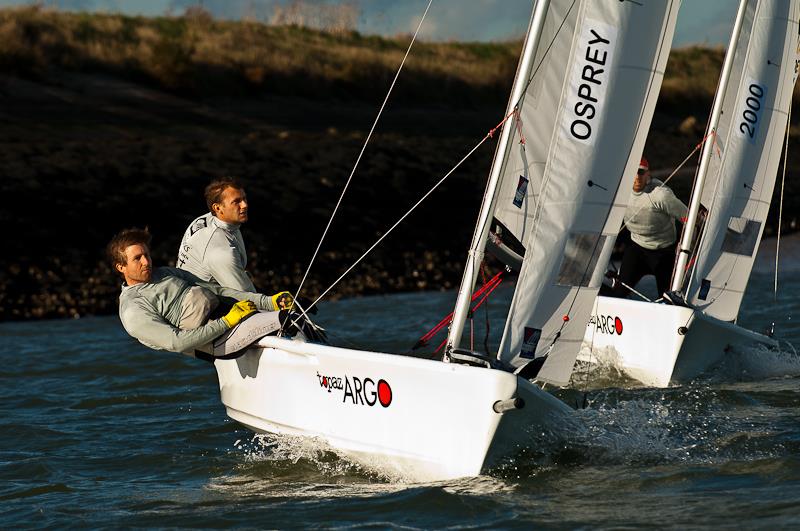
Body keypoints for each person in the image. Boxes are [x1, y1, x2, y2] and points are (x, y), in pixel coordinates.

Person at [109, 228, 294, 357]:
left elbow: (218, 290)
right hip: (216, 339)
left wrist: (268, 302)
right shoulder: (132, 309)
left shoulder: (165, 273)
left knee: (294, 316)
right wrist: (226, 322)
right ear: (121, 267)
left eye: (146, 255)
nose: (146, 262)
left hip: (228, 314)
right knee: (284, 321)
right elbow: (177, 342)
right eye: (137, 259)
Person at [604, 157, 688, 298]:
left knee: (666, 300)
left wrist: (689, 249)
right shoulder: (619, 192)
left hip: (665, 253)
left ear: (648, 175)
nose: (637, 176)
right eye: (633, 172)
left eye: (641, 172)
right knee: (617, 294)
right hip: (637, 249)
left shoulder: (660, 195)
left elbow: (689, 219)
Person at [177, 178, 257, 292]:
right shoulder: (220, 251)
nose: (244, 205)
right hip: (205, 305)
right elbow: (249, 297)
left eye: (244, 199)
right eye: (236, 201)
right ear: (217, 208)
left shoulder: (204, 220)